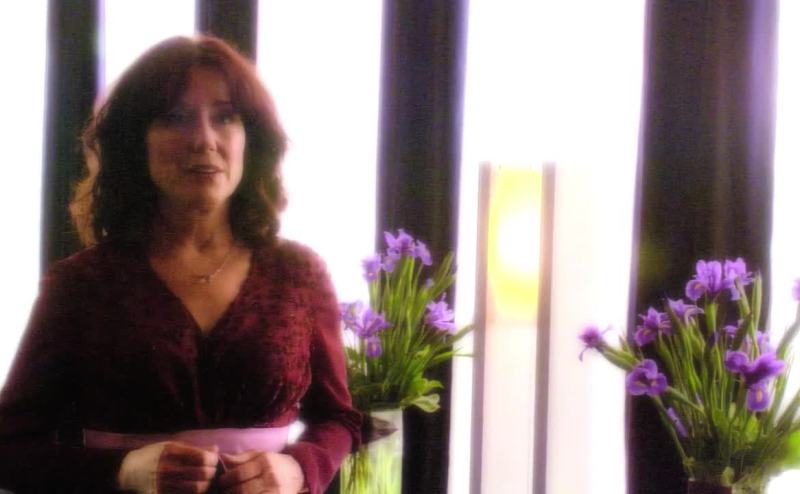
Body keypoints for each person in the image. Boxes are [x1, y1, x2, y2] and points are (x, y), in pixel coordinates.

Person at [0, 35, 361, 494]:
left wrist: (298, 469)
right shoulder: (82, 283)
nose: (204, 140)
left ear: (250, 139)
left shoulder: (299, 273)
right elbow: (9, 446)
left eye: (225, 117)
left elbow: (339, 419)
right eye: (175, 118)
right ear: (136, 142)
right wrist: (121, 471)